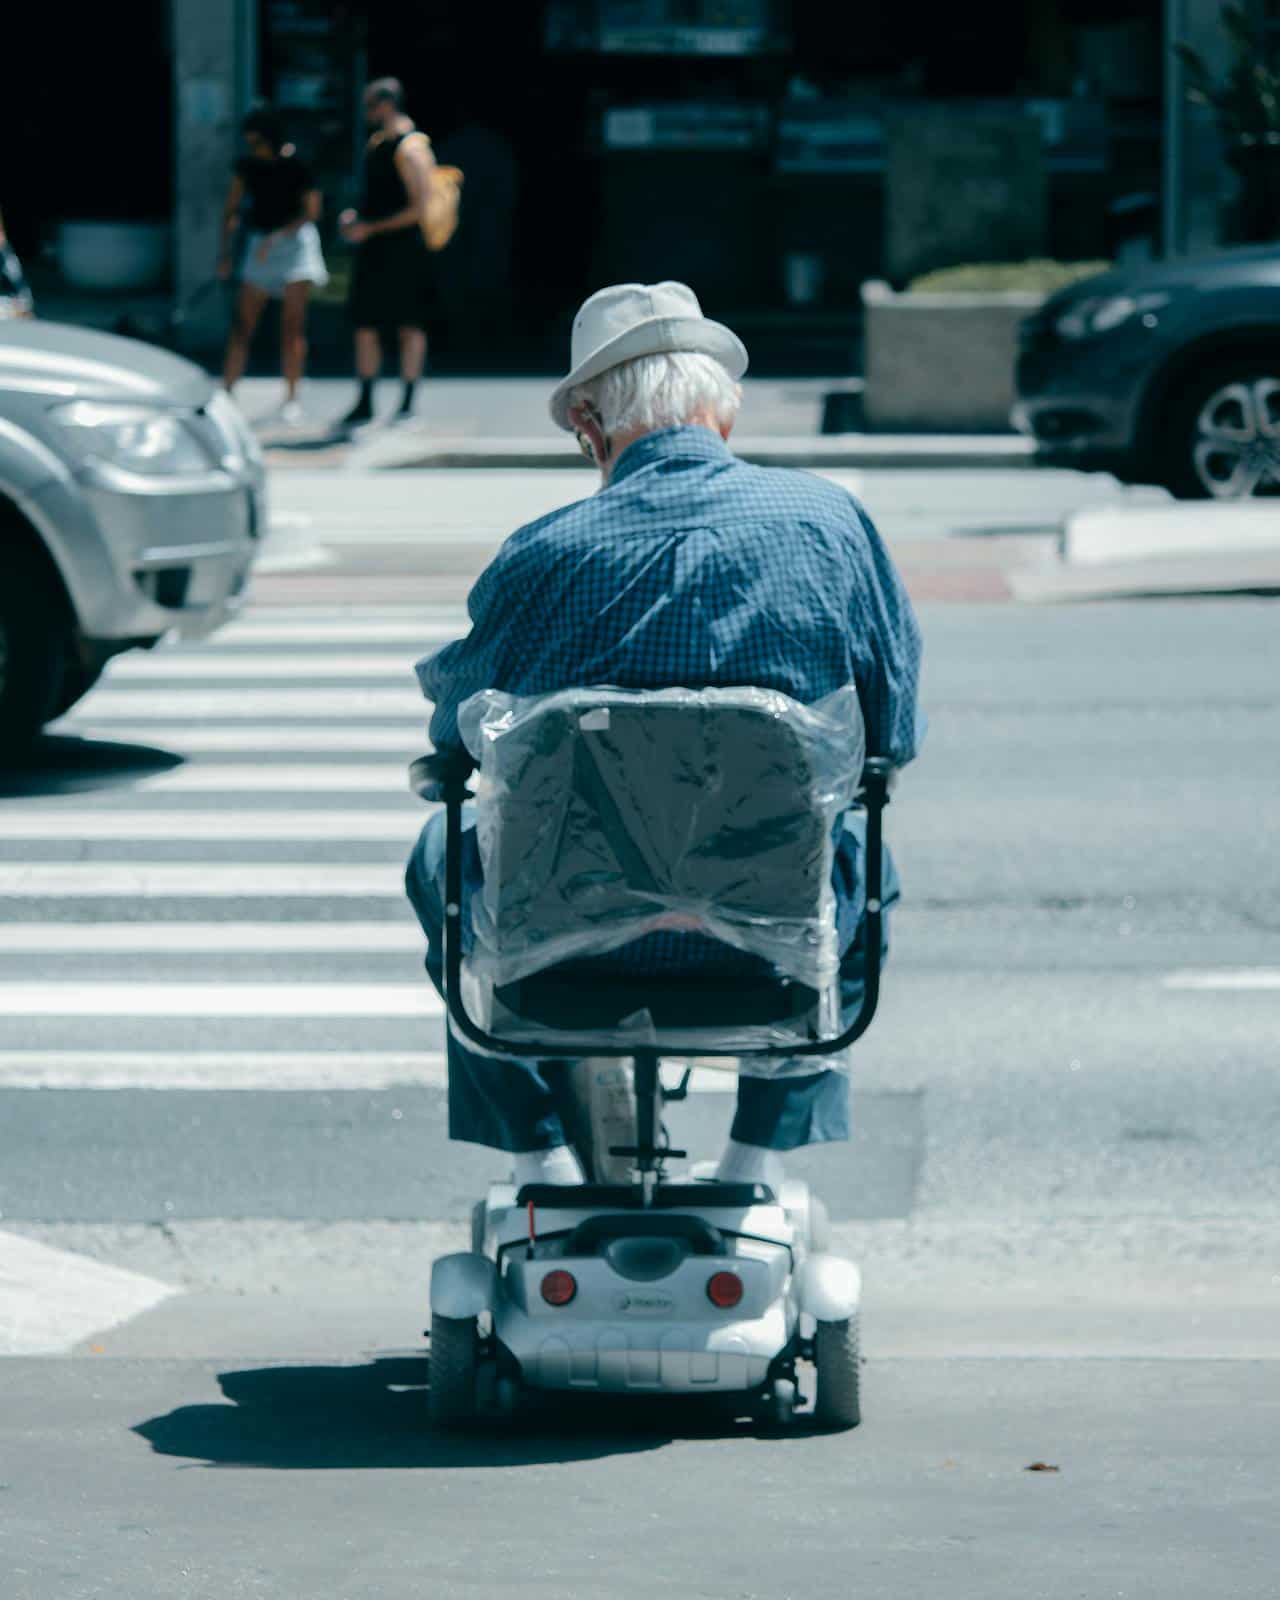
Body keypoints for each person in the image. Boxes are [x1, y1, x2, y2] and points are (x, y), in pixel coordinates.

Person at [405, 281, 923, 1189]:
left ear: (590, 427)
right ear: (722, 412)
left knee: (436, 854)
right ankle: (752, 1159)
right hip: (768, 949)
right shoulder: (831, 527)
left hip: (563, 947)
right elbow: (892, 735)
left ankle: (540, 1160)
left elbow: (458, 733)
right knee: (865, 865)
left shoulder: (545, 552)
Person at [218, 104, 327, 424]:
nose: (254, 149)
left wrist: (278, 237)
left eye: (258, 142)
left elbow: (312, 212)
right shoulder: (247, 166)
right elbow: (231, 210)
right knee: (242, 324)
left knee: (292, 327)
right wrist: (225, 254)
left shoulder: (299, 165)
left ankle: (291, 398)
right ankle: (227, 393)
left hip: (292, 243)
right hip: (259, 243)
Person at [339, 78, 437, 429]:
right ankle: (365, 399)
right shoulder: (377, 142)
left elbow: (419, 208)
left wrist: (371, 227)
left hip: (404, 249)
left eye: (370, 105)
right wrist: (357, 220)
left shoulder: (411, 148)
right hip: (373, 248)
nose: (366, 113)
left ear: (386, 104)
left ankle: (407, 401)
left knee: (409, 325)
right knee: (365, 324)